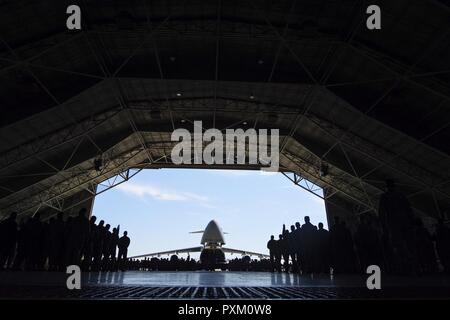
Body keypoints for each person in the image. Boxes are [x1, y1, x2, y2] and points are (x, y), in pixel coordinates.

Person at [378, 179, 415, 274]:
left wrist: (384, 227)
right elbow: (409, 209)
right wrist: (411, 221)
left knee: (397, 246)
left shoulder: (385, 196)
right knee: (409, 245)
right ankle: (413, 266)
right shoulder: (401, 195)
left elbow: (382, 213)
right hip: (405, 223)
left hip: (394, 224)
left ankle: (403, 267)